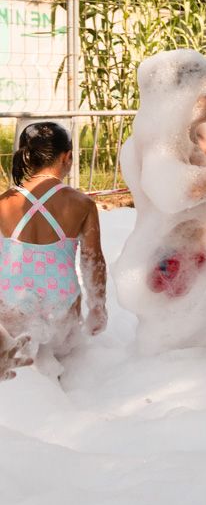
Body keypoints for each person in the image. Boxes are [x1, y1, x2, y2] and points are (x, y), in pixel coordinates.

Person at [118, 50, 206, 355]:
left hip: (204, 269)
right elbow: (175, 193)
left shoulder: (203, 132)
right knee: (179, 351)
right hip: (170, 269)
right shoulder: (156, 141)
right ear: (182, 95)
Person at [0, 122, 107, 378]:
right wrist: (98, 308)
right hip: (62, 305)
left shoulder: (3, 203)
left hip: (13, 304)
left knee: (21, 371)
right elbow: (93, 261)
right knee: (67, 368)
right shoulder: (82, 204)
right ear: (67, 156)